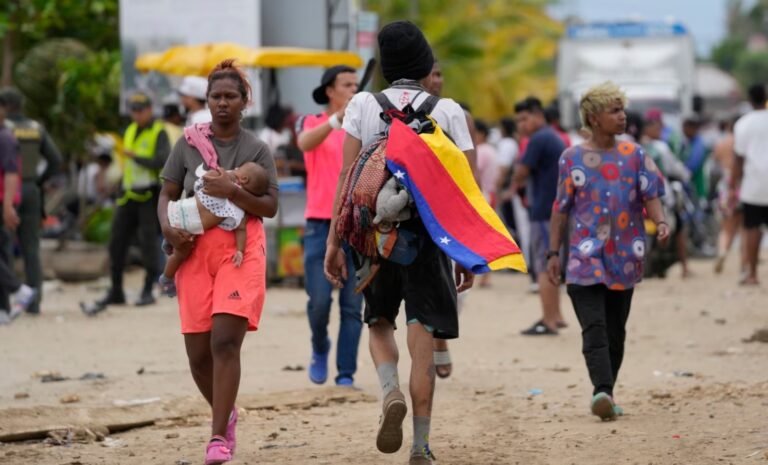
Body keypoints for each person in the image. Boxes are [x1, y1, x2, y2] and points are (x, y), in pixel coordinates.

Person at [324, 21, 475, 465]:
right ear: (427, 63)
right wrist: (466, 251)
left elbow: (348, 179)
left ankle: (390, 390)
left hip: (374, 236)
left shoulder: (362, 105)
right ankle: (421, 445)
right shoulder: (447, 109)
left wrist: (335, 240)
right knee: (422, 334)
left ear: (386, 67)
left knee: (378, 322)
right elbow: (467, 188)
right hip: (428, 239)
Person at [159, 59, 278, 465]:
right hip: (194, 251)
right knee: (197, 356)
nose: (222, 103)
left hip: (240, 249)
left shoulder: (257, 148)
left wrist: (232, 190)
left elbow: (271, 205)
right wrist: (168, 229)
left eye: (231, 96)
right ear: (206, 101)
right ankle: (226, 417)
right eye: (216, 96)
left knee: (224, 341)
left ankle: (216, 439)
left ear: (245, 102)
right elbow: (167, 193)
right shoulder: (187, 144)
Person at [547, 81, 670, 421]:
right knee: (595, 328)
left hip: (625, 258)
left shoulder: (635, 155)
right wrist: (552, 253)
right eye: (614, 110)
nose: (622, 116)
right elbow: (560, 208)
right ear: (594, 118)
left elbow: (651, 195)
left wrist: (660, 222)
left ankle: (607, 393)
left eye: (622, 109)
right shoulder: (571, 158)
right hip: (583, 259)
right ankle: (601, 389)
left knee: (616, 332)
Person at [295, 65, 364, 387]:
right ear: (329, 91)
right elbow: (305, 143)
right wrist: (337, 120)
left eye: (356, 84)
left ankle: (346, 373)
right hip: (319, 224)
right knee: (319, 301)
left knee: (353, 306)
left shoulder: (363, 127)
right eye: (346, 84)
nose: (353, 89)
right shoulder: (312, 122)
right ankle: (319, 345)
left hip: (356, 225)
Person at [81, 93, 170, 315]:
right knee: (116, 243)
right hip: (127, 194)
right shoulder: (129, 130)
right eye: (133, 110)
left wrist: (135, 156)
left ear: (150, 109)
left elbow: (162, 161)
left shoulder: (158, 132)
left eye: (141, 110)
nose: (137, 114)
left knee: (148, 243)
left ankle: (148, 289)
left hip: (148, 195)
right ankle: (116, 290)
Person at [421, 58, 477, 380]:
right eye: (431, 73)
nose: (436, 79)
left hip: (452, 212)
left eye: (440, 73)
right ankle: (431, 344)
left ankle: (441, 338)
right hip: (416, 209)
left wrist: (475, 214)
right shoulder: (403, 112)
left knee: (455, 288)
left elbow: (472, 170)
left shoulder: (459, 116)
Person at [159, 161, 269, 297]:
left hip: (189, 228)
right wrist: (221, 174)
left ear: (244, 179)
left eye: (239, 168)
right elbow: (205, 178)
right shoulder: (222, 178)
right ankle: (167, 276)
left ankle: (167, 273)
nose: (235, 169)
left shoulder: (239, 208)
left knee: (181, 252)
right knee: (179, 252)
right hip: (181, 212)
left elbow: (241, 229)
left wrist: (240, 250)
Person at [0, 87, 62, 315]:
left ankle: (5, 303)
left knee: (4, 245)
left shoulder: (4, 129)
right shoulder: (36, 128)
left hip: (7, 191)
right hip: (31, 190)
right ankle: (34, 303)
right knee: (31, 248)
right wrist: (37, 181)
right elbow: (56, 160)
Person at [511, 96, 567, 335]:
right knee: (552, 265)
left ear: (537, 115)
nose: (521, 125)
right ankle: (557, 315)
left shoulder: (539, 139)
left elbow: (521, 172)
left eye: (524, 119)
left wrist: (511, 188)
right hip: (554, 210)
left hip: (543, 211)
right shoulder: (552, 137)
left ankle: (549, 320)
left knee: (543, 267)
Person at [0, 94, 37, 324]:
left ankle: (19, 290)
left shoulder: (6, 138)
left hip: (3, 200)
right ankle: (3, 309)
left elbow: (12, 174)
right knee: (2, 254)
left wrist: (7, 207)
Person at [731, 83, 768, 286]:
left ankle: (752, 274)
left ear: (750, 99)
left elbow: (738, 159)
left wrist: (732, 187)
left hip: (753, 185)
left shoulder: (742, 124)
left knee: (752, 228)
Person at [712, 117, 744, 275]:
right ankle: (745, 264)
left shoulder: (721, 143)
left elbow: (714, 164)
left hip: (725, 184)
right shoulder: (743, 143)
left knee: (726, 227)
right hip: (743, 184)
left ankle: (722, 251)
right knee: (746, 226)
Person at [474, 119, 499, 288]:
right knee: (487, 234)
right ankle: (486, 275)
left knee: (480, 236)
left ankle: (485, 274)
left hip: (482, 195)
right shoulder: (491, 150)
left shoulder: (481, 151)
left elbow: (473, 171)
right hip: (491, 193)